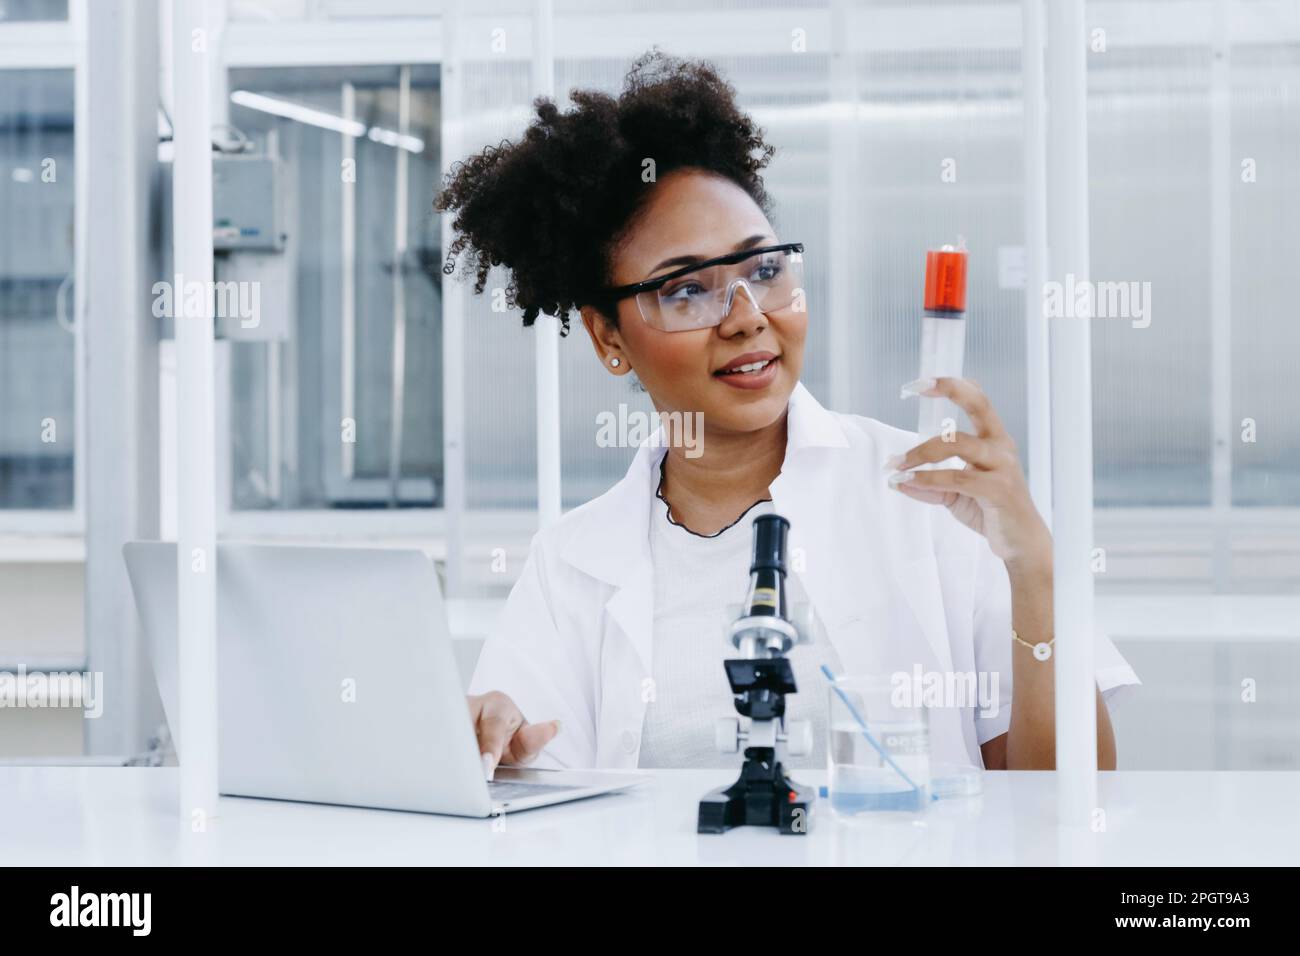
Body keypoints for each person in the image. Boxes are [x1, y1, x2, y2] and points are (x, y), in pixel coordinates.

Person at [435, 49, 1138, 777]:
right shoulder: (572, 564)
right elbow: (531, 788)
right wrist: (496, 747)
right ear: (608, 337)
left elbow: (1064, 804)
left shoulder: (937, 499)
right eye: (686, 292)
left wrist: (1033, 572)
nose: (746, 318)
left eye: (764, 270)